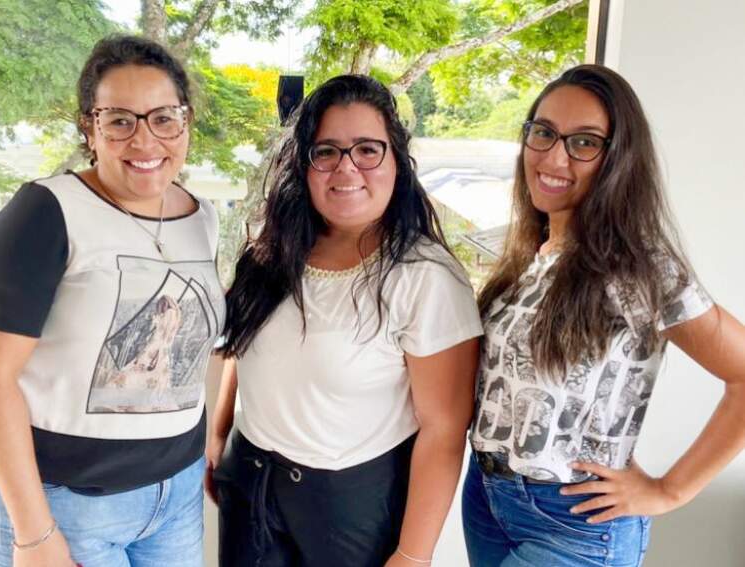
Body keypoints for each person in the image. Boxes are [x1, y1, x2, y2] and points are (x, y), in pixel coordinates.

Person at [462, 64, 745, 567]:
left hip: (574, 521)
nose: (553, 157)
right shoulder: (530, 254)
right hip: (486, 499)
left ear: (618, 160)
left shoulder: (642, 268)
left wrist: (669, 491)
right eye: (543, 132)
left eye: (584, 143)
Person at [0, 35, 223, 567]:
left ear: (186, 122)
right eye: (120, 120)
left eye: (164, 117)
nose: (145, 140)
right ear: (90, 127)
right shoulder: (46, 212)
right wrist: (34, 535)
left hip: (174, 494)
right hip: (63, 500)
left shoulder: (203, 217)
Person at [208, 74, 483, 567]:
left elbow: (444, 429)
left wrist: (413, 555)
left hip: (351, 510)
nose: (346, 167)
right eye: (327, 151)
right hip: (251, 482)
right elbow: (239, 342)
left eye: (367, 149)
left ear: (396, 159)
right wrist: (218, 431)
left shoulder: (425, 276)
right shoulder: (272, 249)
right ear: (305, 163)